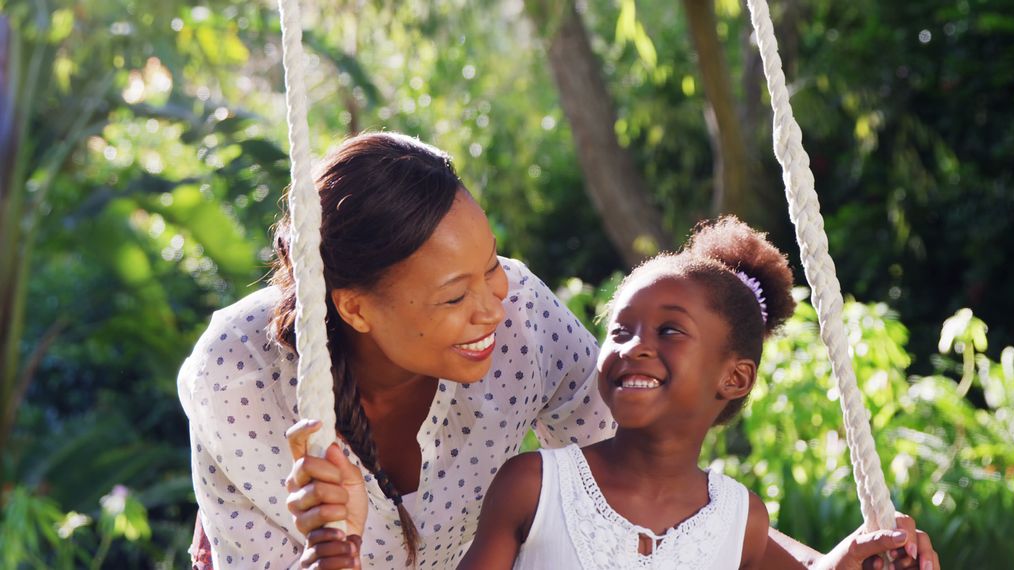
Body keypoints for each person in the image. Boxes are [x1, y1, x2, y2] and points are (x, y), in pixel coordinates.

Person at [179, 132, 937, 569]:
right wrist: (332, 540)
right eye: (455, 296)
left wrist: (822, 565)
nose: (493, 306)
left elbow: (643, 476)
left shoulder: (524, 322)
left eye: (492, 267)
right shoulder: (242, 377)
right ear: (353, 308)